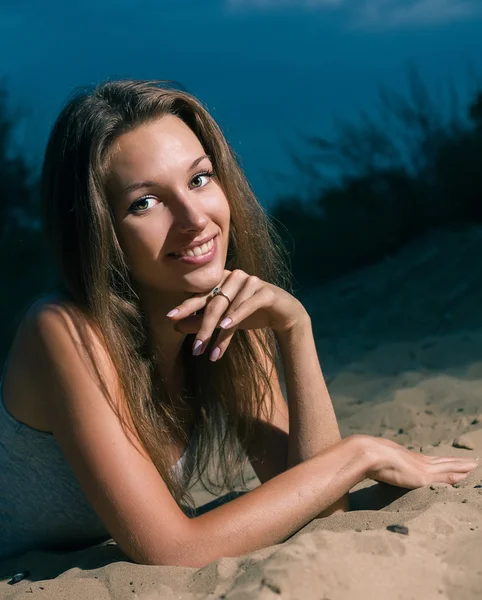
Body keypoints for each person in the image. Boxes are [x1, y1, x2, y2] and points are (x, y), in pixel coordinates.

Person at [0, 79, 477, 567]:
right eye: (144, 202)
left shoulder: (226, 312)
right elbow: (174, 551)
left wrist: (295, 328)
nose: (193, 217)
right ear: (99, 232)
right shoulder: (61, 330)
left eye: (200, 179)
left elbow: (322, 508)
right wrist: (358, 454)